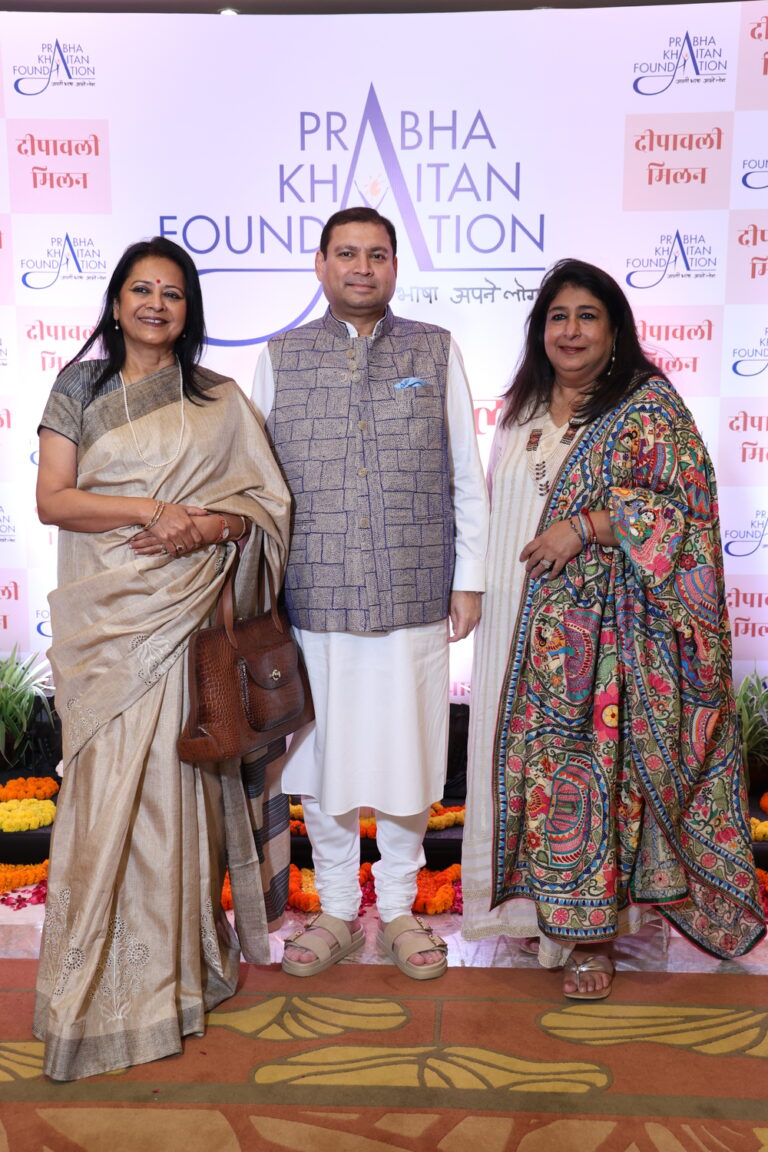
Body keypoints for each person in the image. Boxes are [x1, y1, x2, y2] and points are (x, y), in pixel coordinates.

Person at [462, 258, 765, 999]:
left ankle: (594, 940)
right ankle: (539, 921)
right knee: (528, 777)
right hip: (515, 630)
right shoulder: (523, 409)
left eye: (587, 316)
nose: (571, 330)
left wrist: (589, 525)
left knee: (591, 782)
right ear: (541, 331)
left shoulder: (648, 409)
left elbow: (686, 519)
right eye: (557, 316)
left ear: (615, 329)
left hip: (606, 648)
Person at [34, 236, 291, 1080]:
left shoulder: (218, 401)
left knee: (177, 802)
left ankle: (181, 977)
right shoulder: (79, 388)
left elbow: (262, 504)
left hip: (186, 625)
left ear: (189, 312)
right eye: (140, 291)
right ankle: (94, 994)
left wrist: (208, 524)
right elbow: (55, 501)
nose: (155, 304)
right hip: (113, 627)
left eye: (172, 294)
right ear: (115, 304)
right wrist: (157, 506)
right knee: (108, 800)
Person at [252, 207, 488, 980]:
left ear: (395, 266)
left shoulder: (435, 349)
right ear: (319, 265)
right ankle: (335, 912)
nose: (362, 267)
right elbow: (258, 489)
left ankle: (395, 911)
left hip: (415, 592)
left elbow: (464, 473)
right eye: (346, 254)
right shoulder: (280, 357)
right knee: (320, 765)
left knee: (409, 756)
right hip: (311, 598)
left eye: (377, 255)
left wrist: (470, 578)